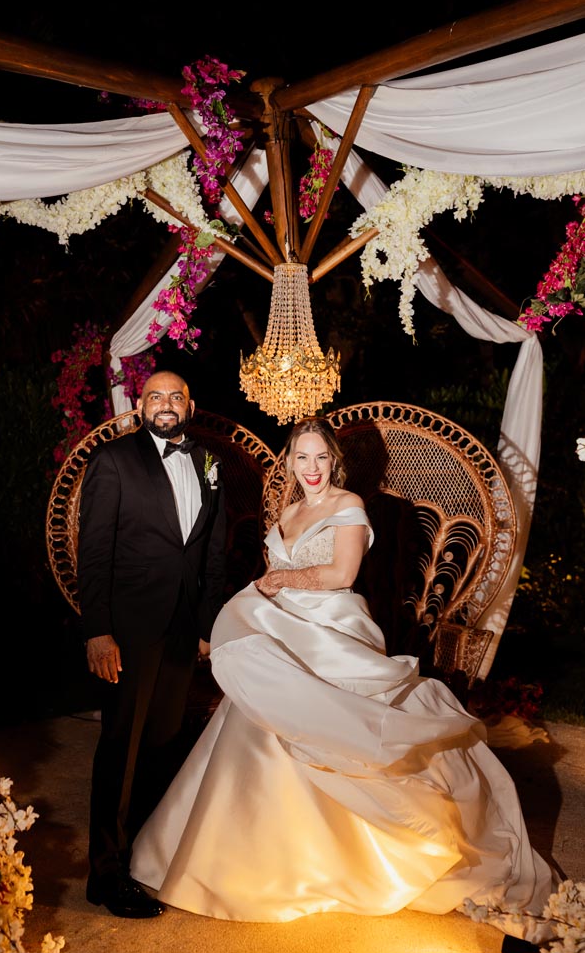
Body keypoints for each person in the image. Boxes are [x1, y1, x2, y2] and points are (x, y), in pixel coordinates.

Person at [129, 416, 559, 948]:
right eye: (302, 458)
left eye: (321, 458)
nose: (311, 469)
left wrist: (281, 579)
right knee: (258, 712)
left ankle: (355, 863)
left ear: (335, 462)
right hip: (282, 628)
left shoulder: (348, 505)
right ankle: (254, 860)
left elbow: (342, 574)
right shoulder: (288, 511)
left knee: (327, 725)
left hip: (330, 630)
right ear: (289, 461)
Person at [77, 370, 227, 919]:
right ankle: (106, 876)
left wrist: (209, 625)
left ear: (192, 403)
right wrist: (97, 629)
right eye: (154, 396)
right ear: (141, 406)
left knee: (164, 744)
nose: (165, 405)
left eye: (175, 396)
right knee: (120, 746)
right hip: (128, 631)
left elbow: (212, 552)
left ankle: (142, 859)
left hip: (185, 629)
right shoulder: (113, 461)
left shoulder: (210, 463)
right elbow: (92, 554)